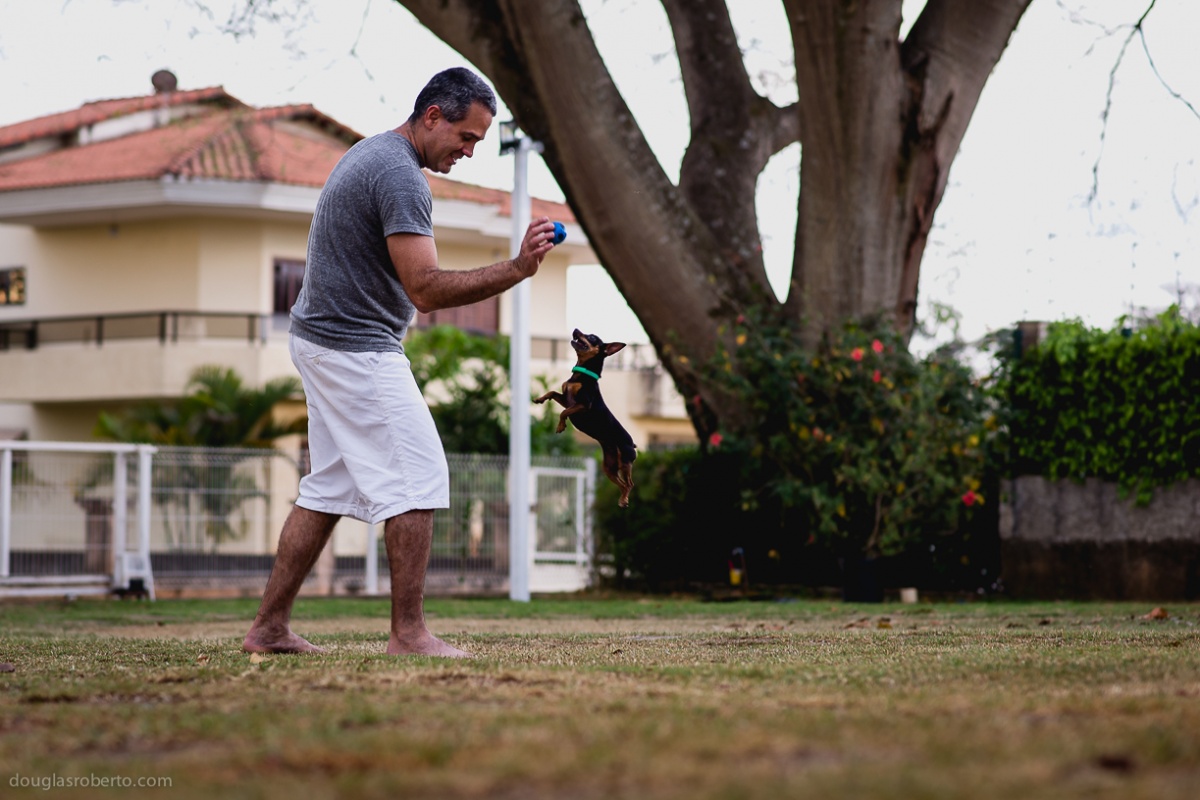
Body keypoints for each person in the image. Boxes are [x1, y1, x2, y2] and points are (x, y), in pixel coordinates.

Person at [243, 67, 557, 658]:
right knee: (418, 479)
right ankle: (408, 635)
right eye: (466, 138)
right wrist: (516, 270)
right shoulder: (397, 174)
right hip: (353, 346)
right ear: (433, 114)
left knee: (328, 489)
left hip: (323, 339)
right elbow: (428, 290)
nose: (469, 152)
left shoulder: (375, 156)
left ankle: (269, 627)